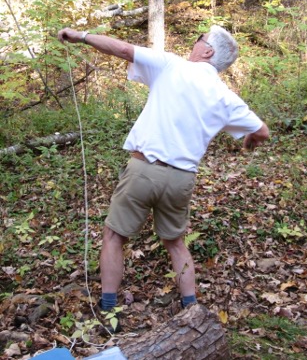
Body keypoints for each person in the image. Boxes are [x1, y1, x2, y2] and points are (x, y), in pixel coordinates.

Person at [58, 25, 269, 326]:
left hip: (144, 170)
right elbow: (262, 130)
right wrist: (250, 140)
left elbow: (123, 50)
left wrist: (80, 36)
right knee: (176, 243)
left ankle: (107, 310)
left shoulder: (173, 66)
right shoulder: (225, 96)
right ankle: (191, 309)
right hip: (182, 180)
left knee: (114, 235)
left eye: (200, 40)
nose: (195, 43)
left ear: (207, 51)